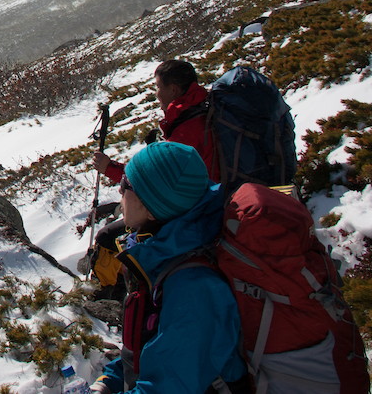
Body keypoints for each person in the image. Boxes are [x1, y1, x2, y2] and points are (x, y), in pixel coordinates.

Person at [89, 142, 249, 394]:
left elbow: (167, 386)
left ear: (152, 208)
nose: (119, 191)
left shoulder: (192, 288)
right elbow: (154, 348)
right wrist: (112, 379)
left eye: (125, 185)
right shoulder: (165, 253)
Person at [85, 60, 214, 295]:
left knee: (108, 238)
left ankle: (112, 294)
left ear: (173, 90)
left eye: (158, 87)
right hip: (200, 202)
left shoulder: (188, 128)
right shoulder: (198, 111)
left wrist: (110, 168)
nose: (156, 94)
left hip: (186, 210)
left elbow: (160, 182)